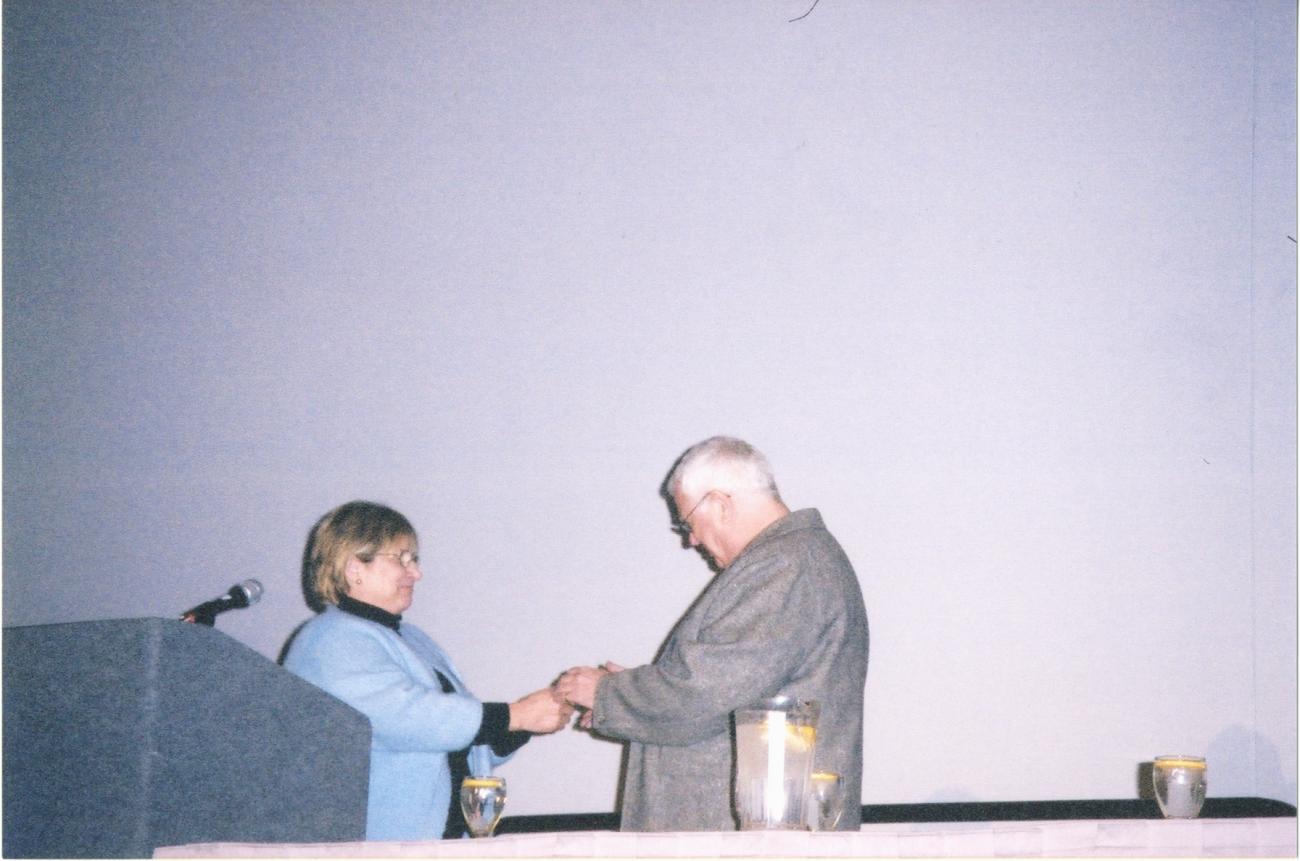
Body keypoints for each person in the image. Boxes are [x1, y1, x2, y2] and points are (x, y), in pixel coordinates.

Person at [556, 436, 869, 831]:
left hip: (743, 840)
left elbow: (707, 691)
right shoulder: (793, 559)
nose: (691, 540)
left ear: (720, 504)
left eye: (687, 523)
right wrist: (635, 690)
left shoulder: (786, 565)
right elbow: (728, 684)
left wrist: (607, 693)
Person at [283, 500, 572, 841]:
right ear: (353, 568)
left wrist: (528, 723)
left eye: (415, 560)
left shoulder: (411, 638)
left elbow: (457, 745)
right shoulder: (329, 639)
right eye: (401, 559)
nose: (415, 573)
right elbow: (407, 717)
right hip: (376, 843)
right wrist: (516, 715)